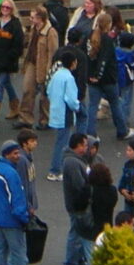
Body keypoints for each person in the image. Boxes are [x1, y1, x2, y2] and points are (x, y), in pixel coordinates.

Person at [0, 140, 32, 265]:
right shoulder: (11, 174)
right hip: (11, 219)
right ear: (7, 155)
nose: (18, 156)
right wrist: (24, 218)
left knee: (1, 249)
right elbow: (17, 199)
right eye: (15, 153)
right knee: (18, 252)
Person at [61, 132, 95, 265]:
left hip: (78, 204)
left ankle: (76, 260)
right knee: (75, 234)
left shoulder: (77, 160)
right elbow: (79, 185)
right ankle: (70, 264)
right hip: (77, 205)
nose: (87, 148)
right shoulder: (72, 162)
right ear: (79, 146)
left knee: (77, 233)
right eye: (85, 145)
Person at [18, 5, 58, 129]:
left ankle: (45, 120)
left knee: (45, 95)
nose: (30, 19)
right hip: (32, 63)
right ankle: (25, 118)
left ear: (40, 18)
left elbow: (53, 52)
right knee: (27, 90)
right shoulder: (33, 29)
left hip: (44, 65)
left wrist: (49, 70)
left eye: (32, 17)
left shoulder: (50, 32)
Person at [45, 49, 81, 181]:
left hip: (55, 111)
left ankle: (56, 169)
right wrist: (77, 107)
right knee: (63, 142)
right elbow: (71, 99)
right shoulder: (69, 78)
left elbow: (48, 91)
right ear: (72, 63)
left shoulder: (56, 75)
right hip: (65, 113)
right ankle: (56, 170)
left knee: (60, 140)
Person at [0, 0, 24, 124]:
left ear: (12, 9)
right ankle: (15, 106)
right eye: (3, 7)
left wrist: (12, 56)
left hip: (9, 60)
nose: (4, 9)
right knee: (6, 83)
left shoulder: (15, 24)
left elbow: (19, 43)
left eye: (7, 7)